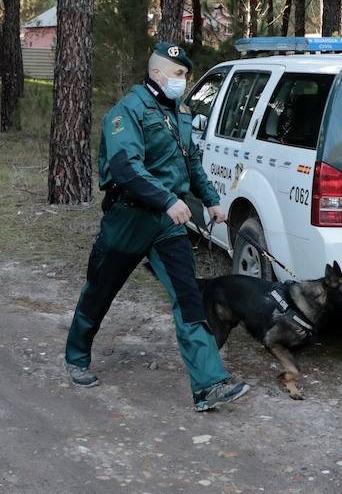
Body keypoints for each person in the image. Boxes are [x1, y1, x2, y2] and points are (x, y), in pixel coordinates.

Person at [64, 42, 251, 412]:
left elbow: (190, 160)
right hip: (129, 219)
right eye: (179, 75)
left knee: (189, 298)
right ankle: (76, 355)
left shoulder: (178, 111)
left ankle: (209, 384)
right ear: (157, 74)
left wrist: (211, 199)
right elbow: (126, 168)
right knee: (100, 291)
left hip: (167, 225)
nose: (184, 81)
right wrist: (167, 199)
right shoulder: (127, 113)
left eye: (185, 75)